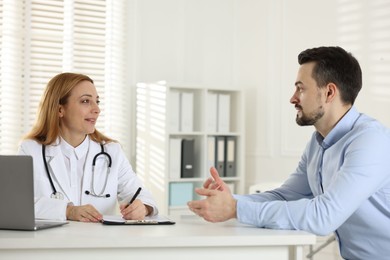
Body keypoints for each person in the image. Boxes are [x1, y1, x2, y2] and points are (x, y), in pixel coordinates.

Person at [188, 46, 390, 259]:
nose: (293, 98)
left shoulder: (370, 141)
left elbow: (323, 216)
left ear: (329, 92)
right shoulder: (317, 142)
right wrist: (229, 200)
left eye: (301, 89)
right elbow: (285, 196)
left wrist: (236, 208)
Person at [18, 72, 158, 222]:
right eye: (85, 101)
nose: (97, 109)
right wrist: (68, 211)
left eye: (97, 101)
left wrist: (142, 207)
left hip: (97, 242)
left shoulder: (112, 152)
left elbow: (141, 195)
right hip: (50, 243)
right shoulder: (31, 150)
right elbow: (16, 202)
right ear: (60, 110)